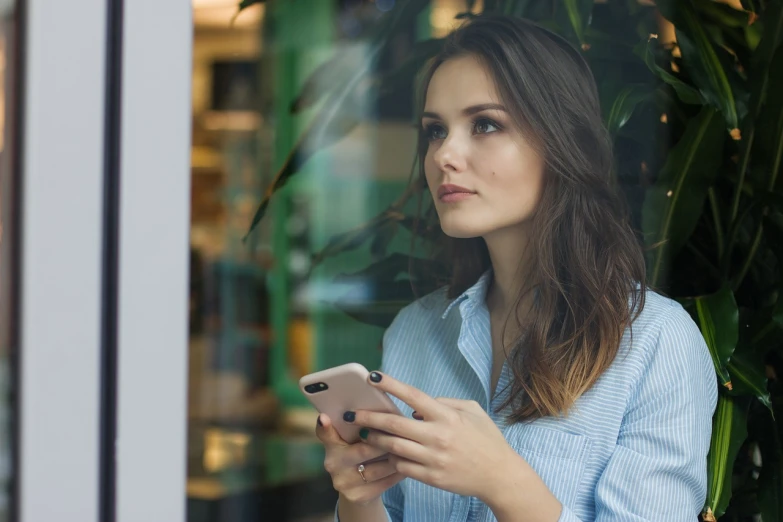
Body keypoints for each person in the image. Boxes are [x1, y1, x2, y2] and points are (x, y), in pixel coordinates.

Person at [315, 14, 718, 522]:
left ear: (560, 141)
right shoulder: (414, 332)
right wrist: (359, 496)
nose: (445, 155)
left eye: (485, 124)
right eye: (435, 131)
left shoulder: (656, 343)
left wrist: (503, 482)